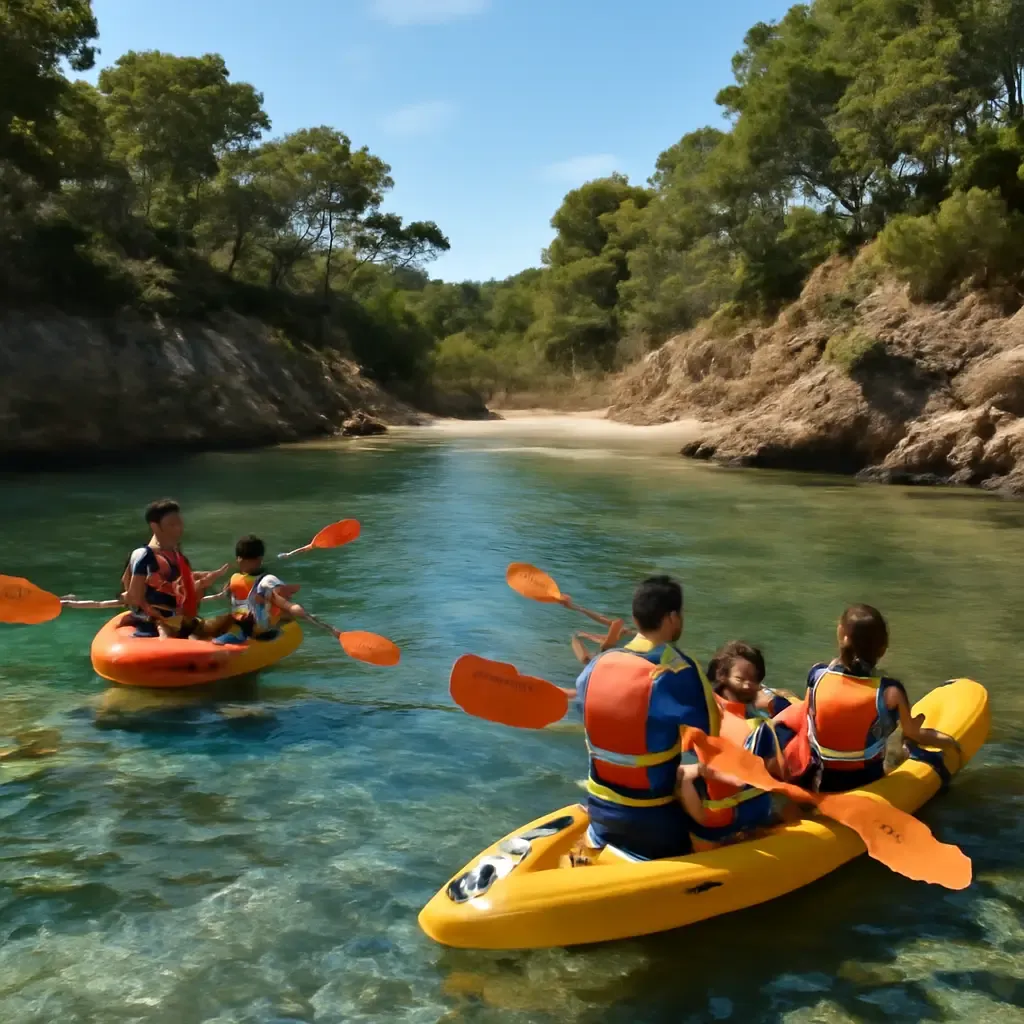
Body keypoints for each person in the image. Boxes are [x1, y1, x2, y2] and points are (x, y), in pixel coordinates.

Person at [572, 575, 720, 861]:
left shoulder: (595, 668)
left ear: (635, 617)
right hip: (654, 824)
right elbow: (711, 737)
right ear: (672, 618)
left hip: (601, 814)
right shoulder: (677, 671)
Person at [806, 604, 960, 793]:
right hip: (866, 781)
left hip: (820, 780)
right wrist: (952, 743)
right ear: (883, 648)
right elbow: (914, 733)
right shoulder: (890, 691)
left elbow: (809, 720)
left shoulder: (817, 675)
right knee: (903, 742)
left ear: (841, 635)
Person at [676, 641, 790, 847]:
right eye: (741, 679)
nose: (748, 685)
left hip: (694, 812)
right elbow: (779, 772)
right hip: (726, 821)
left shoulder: (697, 705)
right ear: (722, 676)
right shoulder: (756, 728)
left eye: (753, 680)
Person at [123, 499, 228, 639]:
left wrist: (202, 585)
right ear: (155, 526)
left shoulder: (180, 558)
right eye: (172, 524)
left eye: (180, 523)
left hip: (182, 621)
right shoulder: (143, 555)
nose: (179, 528)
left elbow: (191, 600)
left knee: (229, 621)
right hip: (155, 623)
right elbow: (134, 597)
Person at [212, 535, 305, 645]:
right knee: (283, 613)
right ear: (260, 559)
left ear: (238, 558)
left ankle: (228, 636)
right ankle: (234, 638)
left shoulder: (234, 578)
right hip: (258, 630)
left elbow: (229, 596)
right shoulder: (266, 580)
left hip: (242, 622)